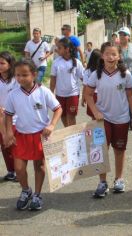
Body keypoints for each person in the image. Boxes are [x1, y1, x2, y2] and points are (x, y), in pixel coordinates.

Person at [4, 59, 62, 210]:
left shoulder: (44, 92)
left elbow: (58, 109)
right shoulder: (13, 94)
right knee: (19, 168)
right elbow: (8, 114)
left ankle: (37, 194)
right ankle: (26, 190)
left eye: (24, 75)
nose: (20, 78)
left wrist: (52, 125)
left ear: (34, 74)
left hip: (40, 136)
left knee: (39, 166)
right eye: (17, 75)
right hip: (21, 135)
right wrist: (9, 131)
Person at [84, 42, 132, 198]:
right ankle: (102, 182)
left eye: (114, 54)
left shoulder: (125, 74)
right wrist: (96, 111)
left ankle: (119, 179)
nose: (110, 57)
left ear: (119, 56)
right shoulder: (96, 74)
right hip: (102, 119)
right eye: (107, 54)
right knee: (101, 150)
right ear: (102, 56)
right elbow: (87, 95)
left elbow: (130, 97)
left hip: (121, 118)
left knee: (119, 150)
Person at [50, 38, 84, 127]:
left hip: (73, 94)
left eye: (59, 48)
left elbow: (84, 78)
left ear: (67, 49)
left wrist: (86, 95)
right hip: (60, 94)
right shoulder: (56, 63)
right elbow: (53, 79)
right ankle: (67, 132)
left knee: (71, 117)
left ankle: (73, 136)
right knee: (63, 116)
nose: (57, 49)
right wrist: (51, 93)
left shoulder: (77, 62)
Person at [0, 51, 17, 181]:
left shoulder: (16, 80)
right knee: (4, 146)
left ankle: (18, 171)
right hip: (0, 119)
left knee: (14, 145)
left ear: (10, 64)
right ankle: (10, 171)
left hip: (14, 119)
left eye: (2, 63)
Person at [81, 49, 101, 119]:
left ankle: (95, 130)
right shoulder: (102, 71)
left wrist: (83, 98)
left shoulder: (88, 71)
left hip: (91, 96)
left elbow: (85, 86)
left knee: (94, 117)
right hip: (100, 95)